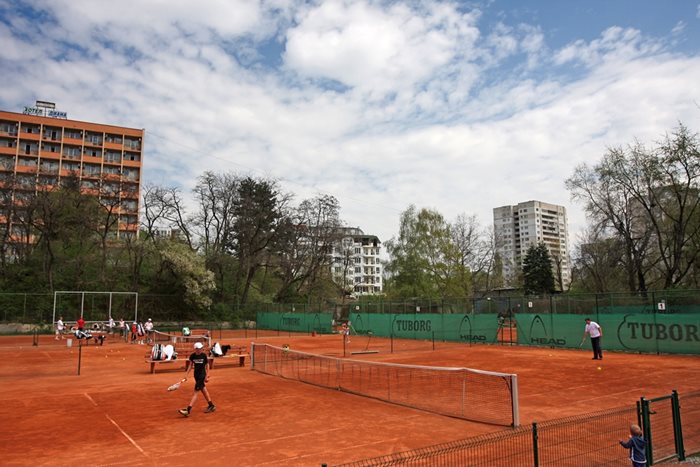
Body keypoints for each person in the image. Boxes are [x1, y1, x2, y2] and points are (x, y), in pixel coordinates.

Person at [178, 342, 216, 417]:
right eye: (199, 348)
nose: (201, 349)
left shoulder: (204, 355)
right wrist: (186, 375)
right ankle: (211, 405)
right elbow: (190, 365)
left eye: (201, 348)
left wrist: (207, 375)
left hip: (202, 376)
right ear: (196, 349)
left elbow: (207, 365)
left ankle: (188, 410)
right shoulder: (192, 356)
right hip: (196, 376)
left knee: (196, 392)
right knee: (204, 390)